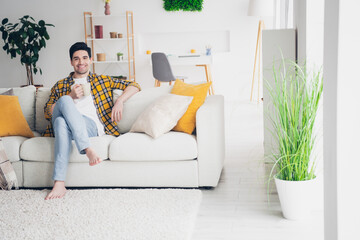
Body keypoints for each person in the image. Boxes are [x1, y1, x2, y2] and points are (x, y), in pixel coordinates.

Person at [43, 42, 140, 200]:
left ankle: (59, 182)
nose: (81, 62)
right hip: (67, 124)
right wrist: (70, 97)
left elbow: (134, 85)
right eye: (76, 59)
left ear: (91, 60)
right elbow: (48, 112)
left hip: (90, 127)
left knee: (61, 122)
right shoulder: (60, 85)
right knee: (63, 109)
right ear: (71, 62)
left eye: (84, 58)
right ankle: (87, 149)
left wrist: (120, 101)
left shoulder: (102, 81)